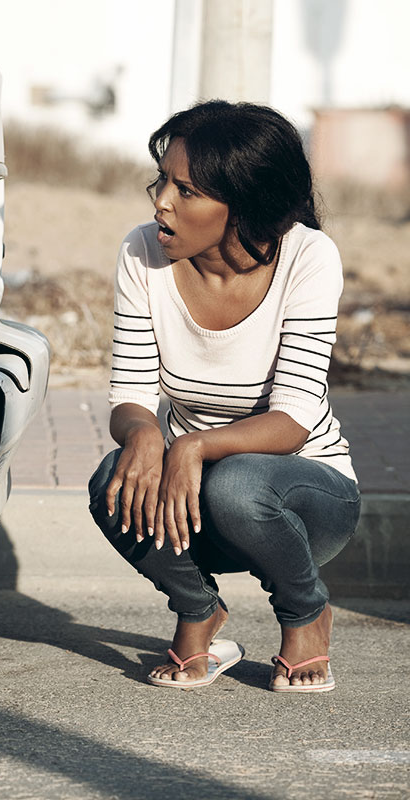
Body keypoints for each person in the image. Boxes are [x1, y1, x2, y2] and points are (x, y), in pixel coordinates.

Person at [88, 100, 361, 693]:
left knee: (236, 481)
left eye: (185, 190)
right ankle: (198, 609)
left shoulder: (309, 258)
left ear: (245, 204)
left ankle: (306, 613)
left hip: (305, 500)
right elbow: (131, 393)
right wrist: (141, 436)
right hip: (202, 502)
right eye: (162, 180)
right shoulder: (141, 252)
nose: (161, 200)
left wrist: (189, 446)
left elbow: (291, 422)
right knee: (112, 481)